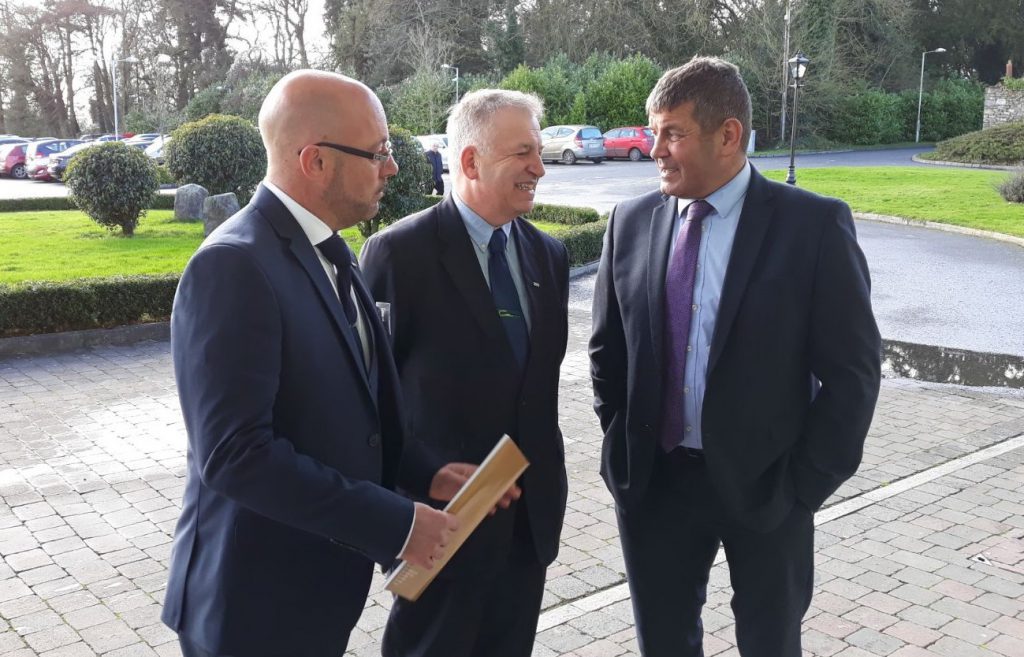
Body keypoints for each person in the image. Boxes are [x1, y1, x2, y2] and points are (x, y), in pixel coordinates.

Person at [162, 70, 487, 657]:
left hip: (310, 593)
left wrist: (424, 473)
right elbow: (236, 455)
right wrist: (399, 524)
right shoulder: (234, 267)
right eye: (378, 152)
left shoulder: (333, 251)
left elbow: (347, 407)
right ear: (314, 161)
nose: (391, 167)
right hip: (251, 609)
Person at [589, 56, 882, 657]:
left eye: (672, 133)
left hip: (769, 489)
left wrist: (806, 484)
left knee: (770, 644)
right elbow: (607, 351)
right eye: (652, 132)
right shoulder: (631, 222)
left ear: (729, 135)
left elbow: (853, 372)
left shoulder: (813, 226)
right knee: (664, 644)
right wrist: (625, 446)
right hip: (656, 485)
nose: (655, 150)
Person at [361, 89, 569, 657]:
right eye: (523, 152)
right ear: (471, 162)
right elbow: (372, 401)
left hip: (529, 526)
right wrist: (409, 498)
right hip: (443, 529)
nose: (539, 168)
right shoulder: (397, 255)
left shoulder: (548, 255)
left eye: (540, 150)